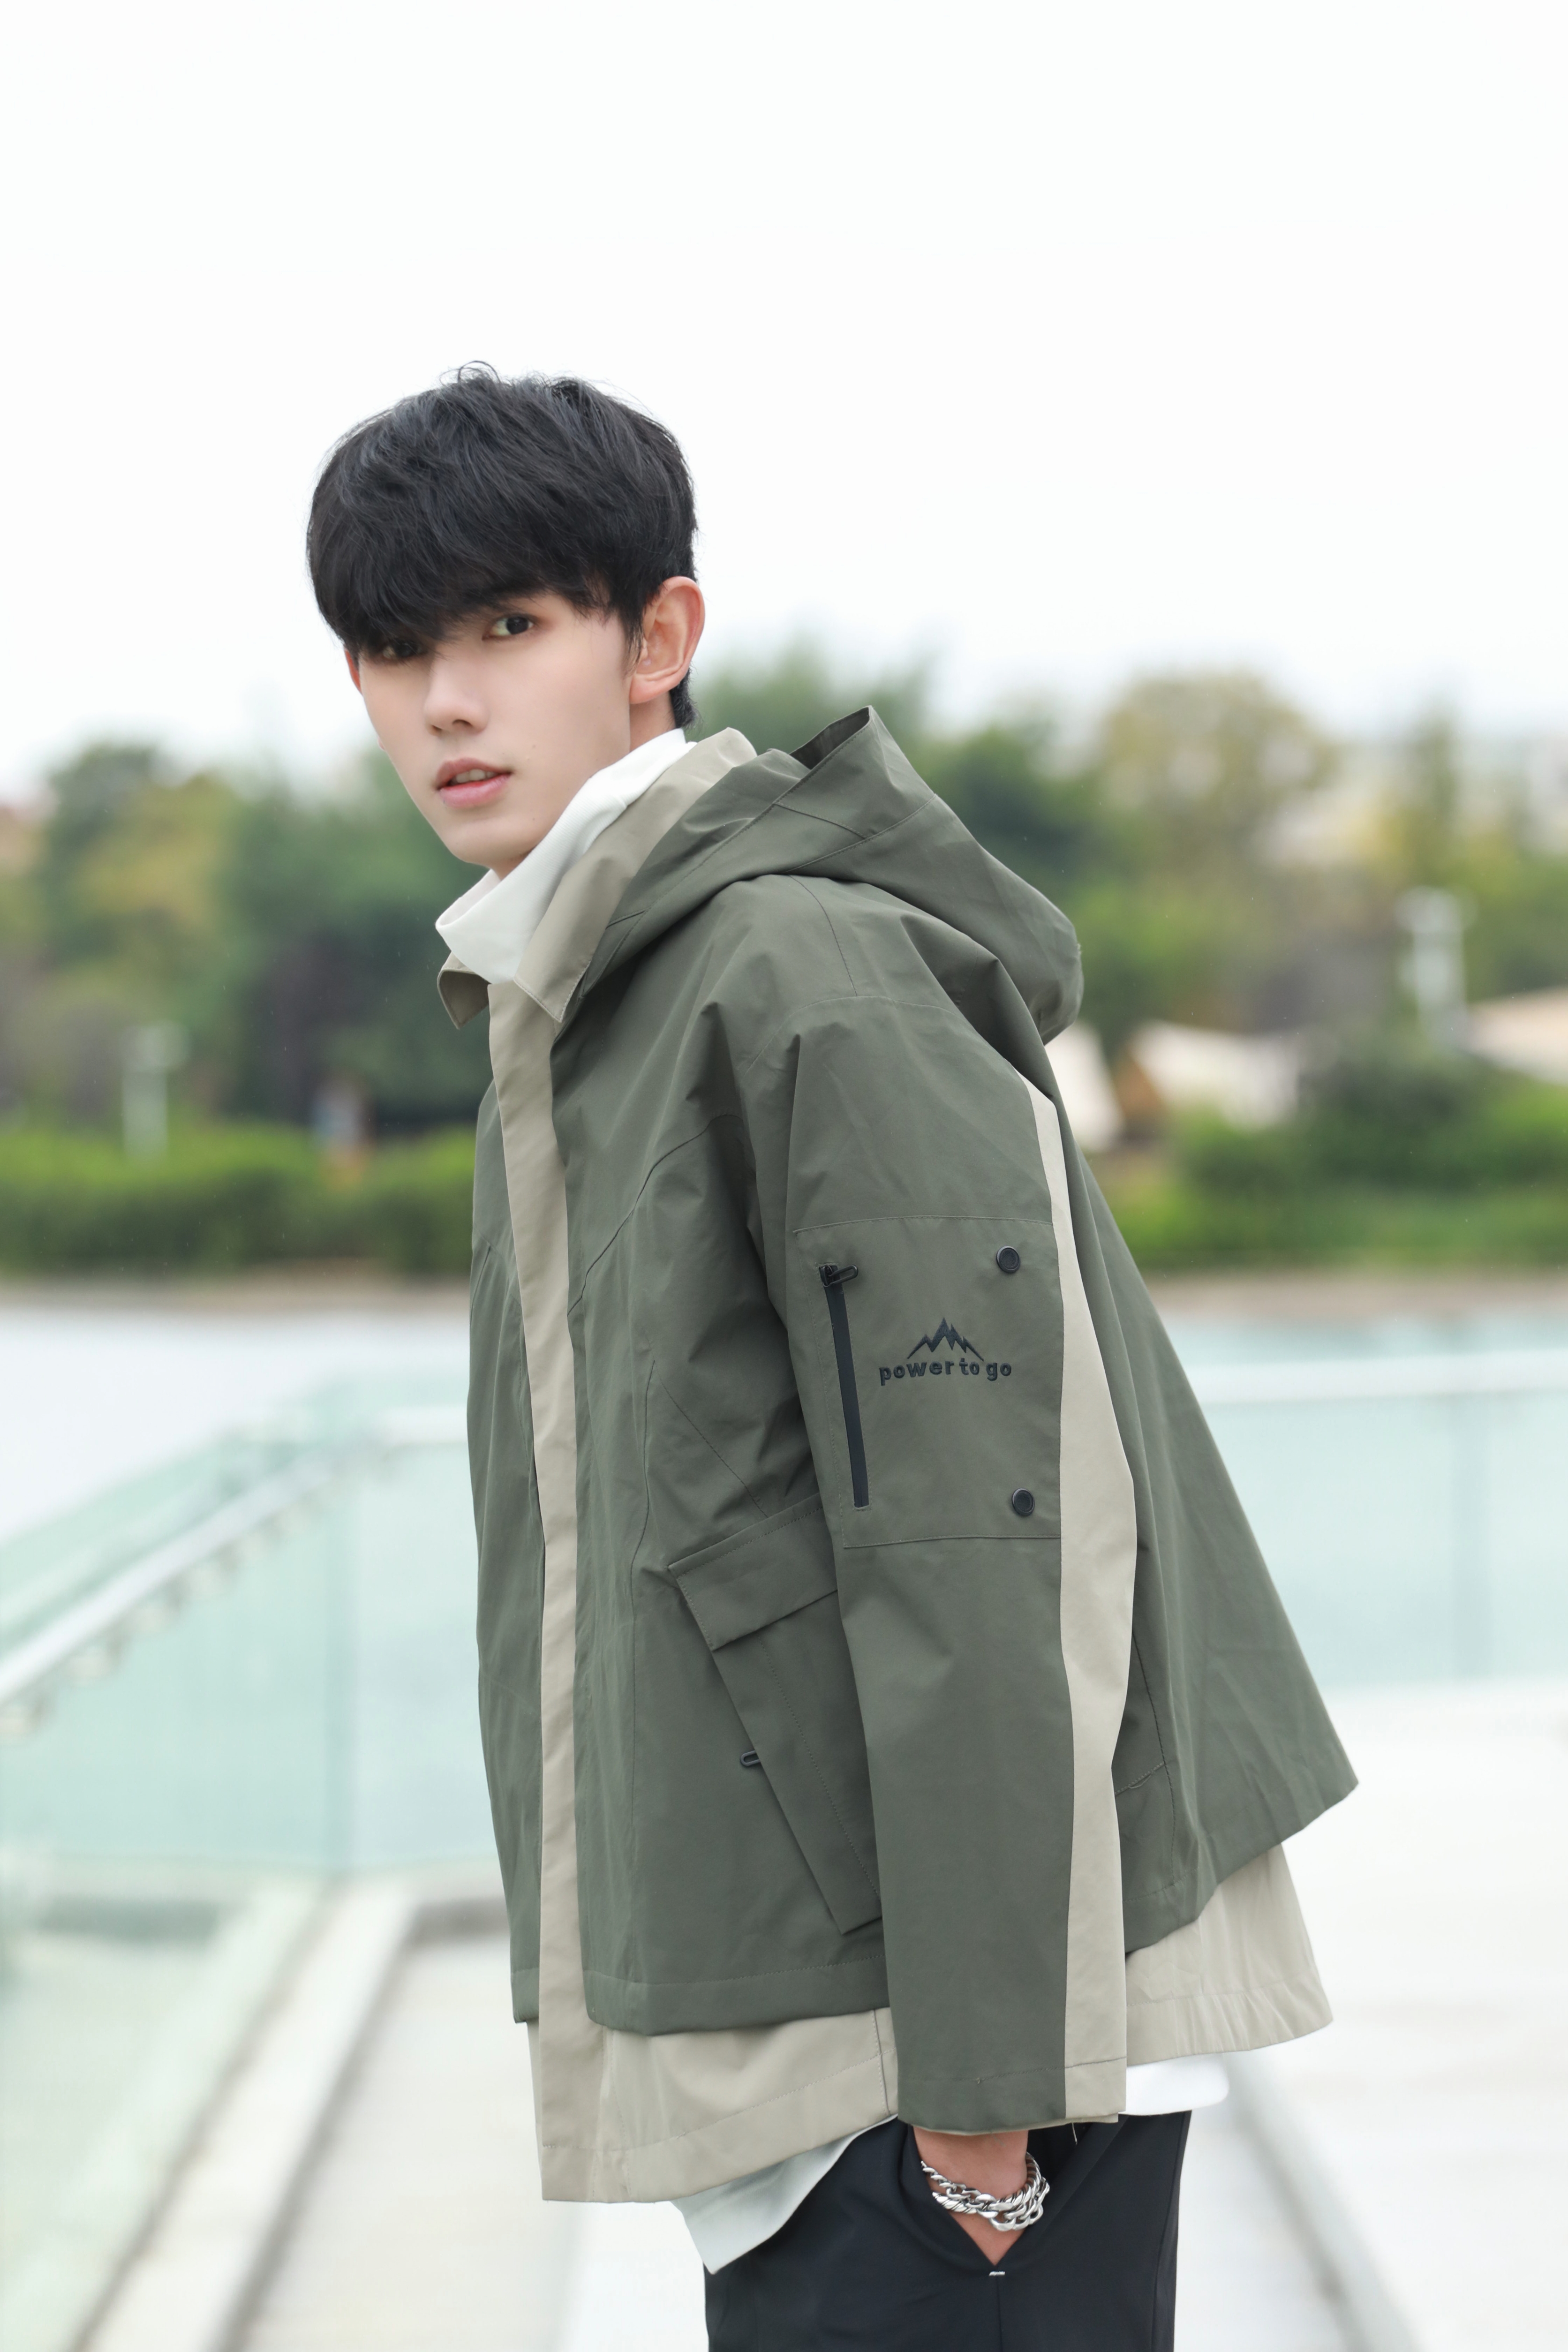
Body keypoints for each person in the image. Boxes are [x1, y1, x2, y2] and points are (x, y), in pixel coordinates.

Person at [307, 368, 1356, 2350]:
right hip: (841, 2016)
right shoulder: (587, 991)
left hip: (936, 2059)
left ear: (659, 638)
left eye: (507, 628)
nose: (444, 702)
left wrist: (983, 2100)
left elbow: (988, 1532)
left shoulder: (795, 969)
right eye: (390, 649)